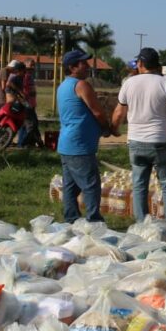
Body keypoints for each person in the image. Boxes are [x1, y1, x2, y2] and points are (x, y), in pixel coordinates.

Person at [111, 47, 166, 225]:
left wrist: (113, 129)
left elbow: (119, 112)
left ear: (140, 64)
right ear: (157, 65)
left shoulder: (129, 83)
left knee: (139, 185)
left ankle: (142, 224)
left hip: (136, 142)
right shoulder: (165, 83)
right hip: (159, 141)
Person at [56, 49, 115, 223]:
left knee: (70, 187)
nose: (88, 66)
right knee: (91, 185)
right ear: (73, 67)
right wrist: (107, 127)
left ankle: (71, 219)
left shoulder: (63, 85)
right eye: (83, 63)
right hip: (79, 144)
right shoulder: (81, 85)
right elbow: (97, 111)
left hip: (67, 143)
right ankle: (94, 221)